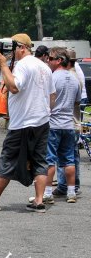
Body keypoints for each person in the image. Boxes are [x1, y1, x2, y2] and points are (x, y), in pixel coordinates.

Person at [0, 34, 52, 212]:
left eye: (14, 47)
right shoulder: (44, 67)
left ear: (22, 47)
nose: (12, 51)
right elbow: (52, 96)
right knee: (40, 161)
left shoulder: (23, 65)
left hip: (23, 122)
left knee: (8, 159)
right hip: (42, 120)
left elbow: (14, 87)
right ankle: (39, 201)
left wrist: (3, 65)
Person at [45, 47, 80, 203]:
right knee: (69, 160)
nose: (48, 61)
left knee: (50, 159)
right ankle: (71, 192)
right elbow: (77, 102)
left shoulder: (52, 78)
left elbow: (47, 100)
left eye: (51, 59)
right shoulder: (75, 79)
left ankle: (47, 193)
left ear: (59, 60)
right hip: (68, 124)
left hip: (53, 123)